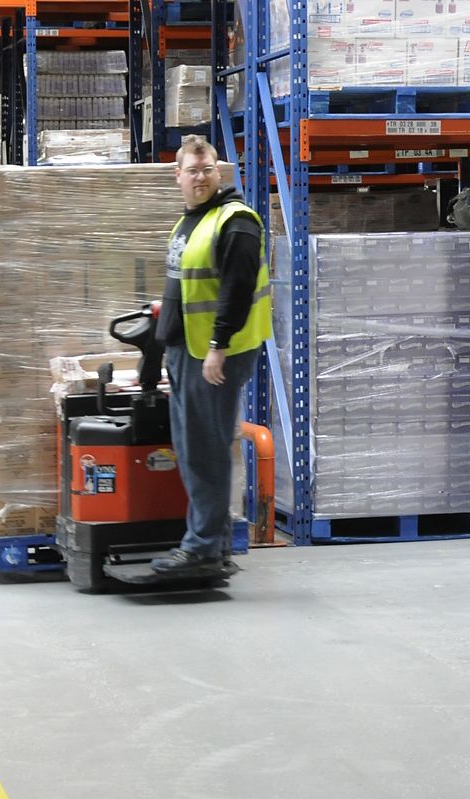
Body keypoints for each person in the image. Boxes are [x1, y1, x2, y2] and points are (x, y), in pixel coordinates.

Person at [152, 135, 272, 576]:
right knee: (197, 446)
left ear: (218, 171)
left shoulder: (236, 222)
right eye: (192, 170)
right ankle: (214, 542)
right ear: (178, 174)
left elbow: (236, 293)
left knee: (204, 449)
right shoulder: (191, 221)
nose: (200, 178)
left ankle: (202, 546)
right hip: (188, 350)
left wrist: (217, 348)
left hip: (213, 354)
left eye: (207, 170)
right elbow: (188, 286)